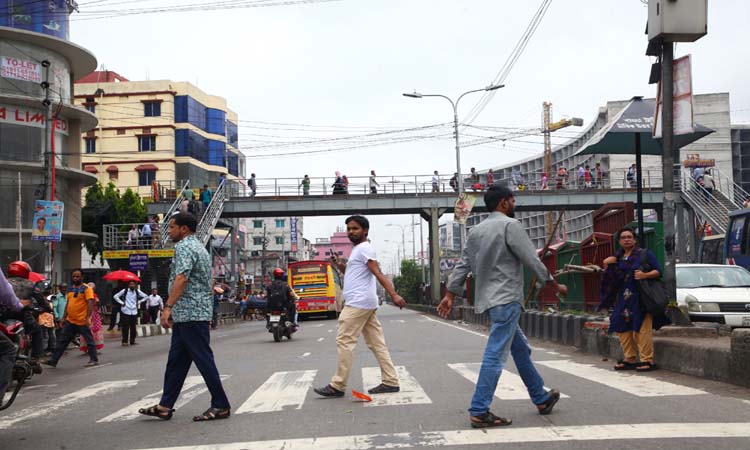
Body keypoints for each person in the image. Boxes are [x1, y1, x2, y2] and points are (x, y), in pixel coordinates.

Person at [438, 185, 565, 428]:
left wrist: (450, 294)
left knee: (520, 349)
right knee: (495, 356)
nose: (514, 204)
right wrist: (553, 284)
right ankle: (479, 409)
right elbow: (531, 258)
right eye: (512, 200)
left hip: (488, 301)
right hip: (507, 299)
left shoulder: (476, 232)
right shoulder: (510, 225)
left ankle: (541, 397)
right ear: (504, 203)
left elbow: (463, 265)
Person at [139, 211, 231, 422]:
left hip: (191, 314)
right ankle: (165, 405)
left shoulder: (184, 247)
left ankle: (221, 404)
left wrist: (168, 307)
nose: (169, 231)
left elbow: (181, 278)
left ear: (184, 229)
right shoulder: (198, 246)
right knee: (176, 362)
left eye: (171, 227)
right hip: (188, 314)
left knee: (203, 360)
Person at [314, 215, 407, 398]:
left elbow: (377, 273)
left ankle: (338, 385)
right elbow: (351, 273)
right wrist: (338, 264)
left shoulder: (364, 249)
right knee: (376, 343)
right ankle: (390, 381)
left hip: (358, 303)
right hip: (366, 303)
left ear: (365, 231)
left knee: (344, 341)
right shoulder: (358, 250)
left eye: (355, 228)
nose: (351, 232)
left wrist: (393, 294)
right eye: (349, 229)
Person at [599, 227, 668, 372]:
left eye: (629, 236)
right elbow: (610, 279)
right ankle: (629, 358)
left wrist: (644, 275)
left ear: (634, 239)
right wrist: (606, 264)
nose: (626, 239)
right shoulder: (616, 258)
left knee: (642, 330)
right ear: (619, 241)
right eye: (623, 237)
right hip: (623, 299)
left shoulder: (644, 254)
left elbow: (658, 271)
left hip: (641, 297)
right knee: (622, 328)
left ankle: (647, 360)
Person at [43, 269, 99, 368]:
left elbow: (90, 303)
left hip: (82, 320)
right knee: (62, 341)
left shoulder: (87, 289)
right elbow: (68, 304)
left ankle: (94, 359)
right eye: (74, 276)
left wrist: (88, 318)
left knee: (89, 340)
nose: (75, 278)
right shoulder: (70, 289)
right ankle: (53, 360)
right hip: (70, 321)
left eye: (77, 276)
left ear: (82, 277)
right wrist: (64, 318)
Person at [0, 266, 24, 399]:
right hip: (12, 310)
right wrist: (18, 306)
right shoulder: (31, 284)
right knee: (8, 350)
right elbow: (6, 293)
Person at [114, 280, 147, 346]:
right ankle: (124, 341)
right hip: (126, 310)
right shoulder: (125, 291)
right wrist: (122, 303)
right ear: (128, 285)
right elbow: (115, 296)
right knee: (125, 327)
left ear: (135, 285)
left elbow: (146, 296)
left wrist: (139, 302)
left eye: (133, 284)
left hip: (134, 311)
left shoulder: (137, 291)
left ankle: (132, 341)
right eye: (131, 284)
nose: (132, 285)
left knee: (133, 327)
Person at [80, 282, 104, 354]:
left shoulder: (84, 295)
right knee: (93, 331)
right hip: (91, 315)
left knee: (88, 331)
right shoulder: (93, 296)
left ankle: (88, 348)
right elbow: (97, 304)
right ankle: (92, 348)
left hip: (88, 315)